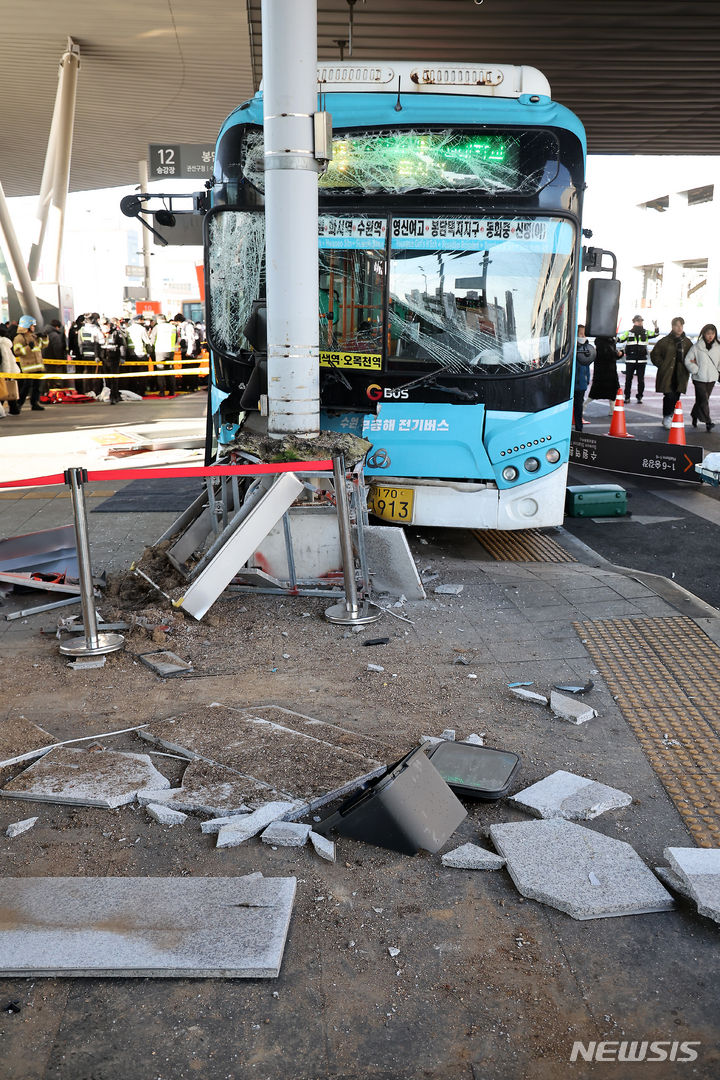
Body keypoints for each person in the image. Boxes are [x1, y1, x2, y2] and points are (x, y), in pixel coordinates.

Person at [651, 317, 692, 429]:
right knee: (668, 395)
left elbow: (692, 356)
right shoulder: (664, 341)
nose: (679, 328)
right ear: (672, 327)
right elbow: (655, 354)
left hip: (681, 373)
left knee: (676, 395)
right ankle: (667, 416)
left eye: (681, 325)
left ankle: (670, 415)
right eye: (676, 325)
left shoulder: (687, 342)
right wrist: (662, 364)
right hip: (667, 373)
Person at [684, 323, 720, 431]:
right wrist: (695, 370)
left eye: (712, 334)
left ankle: (694, 415)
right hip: (699, 378)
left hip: (712, 378)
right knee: (704, 399)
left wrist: (718, 371)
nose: (710, 336)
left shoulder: (718, 347)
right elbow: (687, 360)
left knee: (702, 399)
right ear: (703, 334)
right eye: (708, 333)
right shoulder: (696, 347)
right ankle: (708, 422)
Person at [617, 314, 659, 404]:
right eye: (638, 320)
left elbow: (655, 334)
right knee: (628, 380)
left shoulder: (646, 332)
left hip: (642, 360)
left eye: (641, 321)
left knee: (641, 380)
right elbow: (620, 339)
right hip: (630, 360)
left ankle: (640, 397)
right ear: (634, 322)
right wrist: (614, 337)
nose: (640, 322)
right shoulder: (628, 333)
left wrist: (656, 326)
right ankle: (627, 397)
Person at [12, 315, 46, 411]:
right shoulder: (19, 338)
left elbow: (43, 346)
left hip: (38, 366)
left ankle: (34, 403)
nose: (34, 327)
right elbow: (17, 352)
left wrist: (44, 338)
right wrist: (28, 348)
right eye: (32, 325)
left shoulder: (34, 336)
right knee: (26, 387)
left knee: (37, 387)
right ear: (27, 325)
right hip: (28, 367)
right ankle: (19, 404)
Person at [587, 334, 620, 413]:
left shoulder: (601, 341)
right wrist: (618, 354)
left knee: (597, 392)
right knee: (611, 392)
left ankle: (612, 409)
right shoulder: (607, 342)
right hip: (608, 371)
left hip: (603, 371)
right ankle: (612, 410)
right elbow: (609, 355)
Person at [573, 324, 595, 431]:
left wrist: (587, 379)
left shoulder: (588, 349)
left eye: (584, 334)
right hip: (571, 383)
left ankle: (579, 428)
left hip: (581, 382)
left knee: (578, 406)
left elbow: (587, 366)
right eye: (580, 333)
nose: (583, 336)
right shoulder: (570, 347)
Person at [150, 314, 177, 396]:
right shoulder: (172, 327)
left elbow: (152, 340)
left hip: (160, 351)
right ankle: (172, 391)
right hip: (170, 351)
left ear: (158, 320)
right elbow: (175, 339)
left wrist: (151, 350)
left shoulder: (157, 327)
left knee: (160, 371)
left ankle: (162, 391)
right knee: (170, 370)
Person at [0, 331, 21, 416]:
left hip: (6, 371)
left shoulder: (2, 343)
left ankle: (7, 411)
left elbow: (6, 360)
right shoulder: (5, 342)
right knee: (8, 390)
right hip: (11, 370)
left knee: (3, 390)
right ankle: (14, 410)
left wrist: (6, 373)